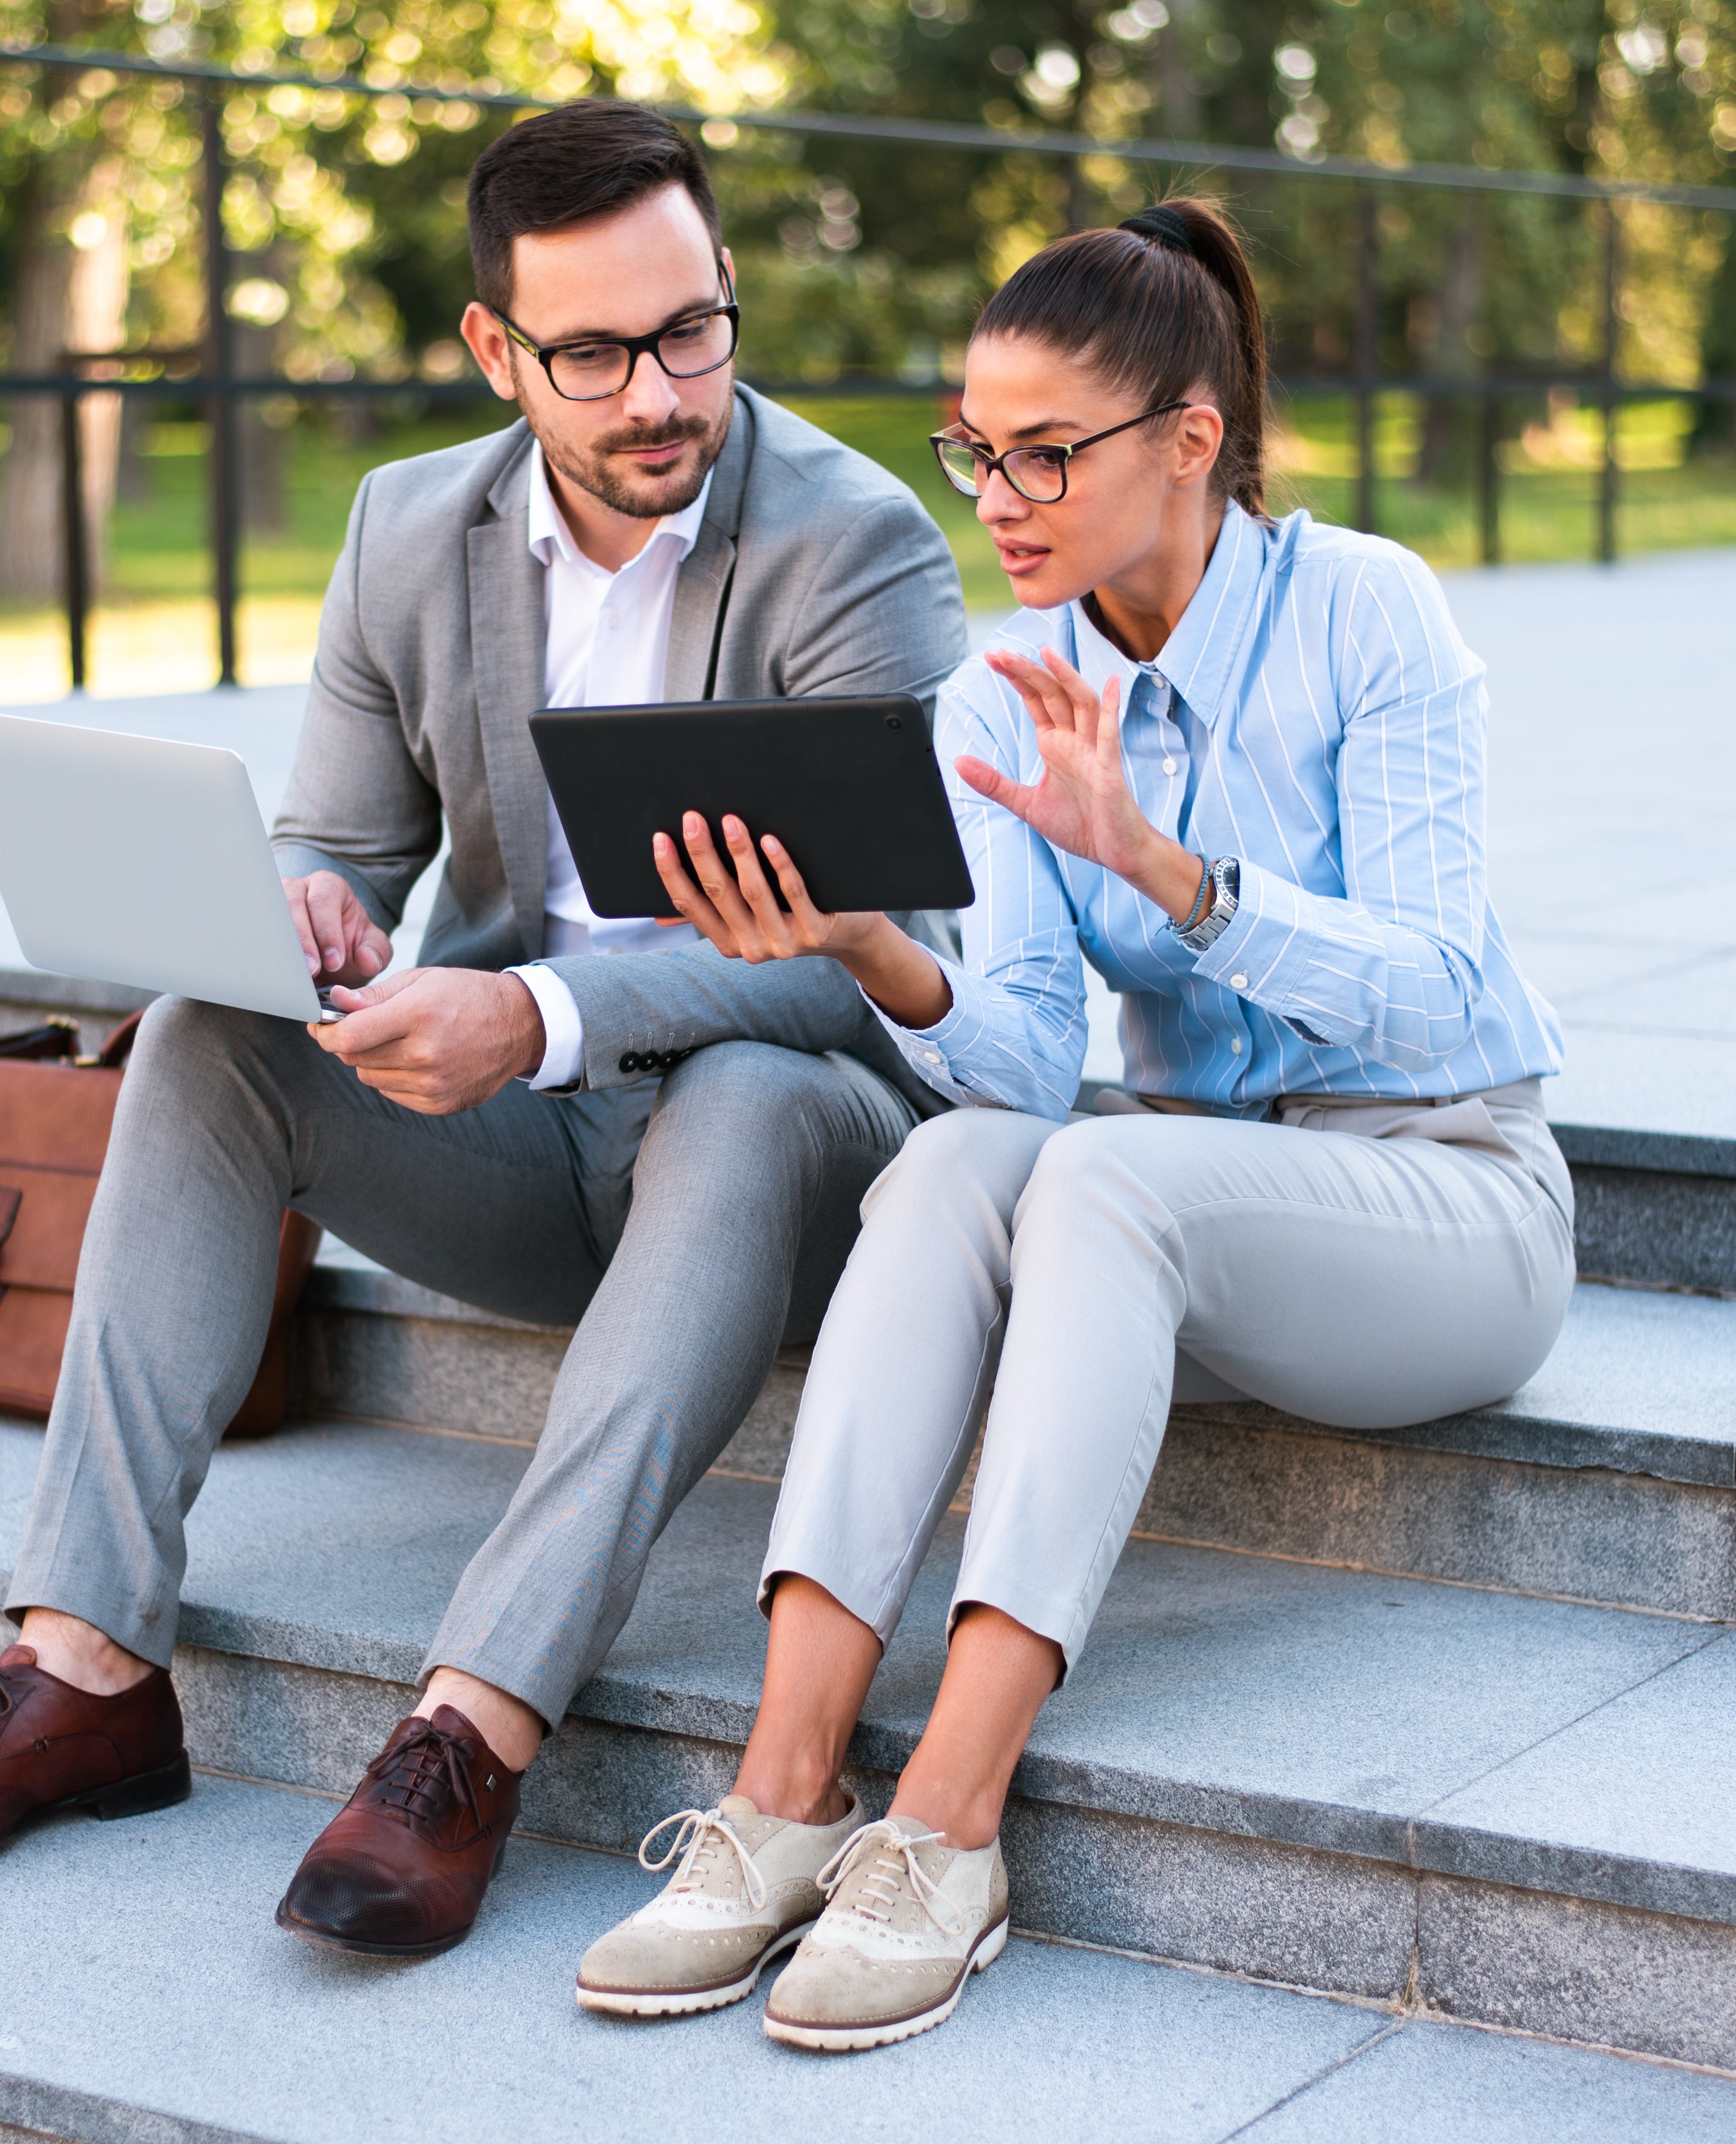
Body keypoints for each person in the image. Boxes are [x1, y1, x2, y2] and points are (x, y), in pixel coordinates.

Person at [0, 99, 967, 1959]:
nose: (662, 393)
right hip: (520, 1153)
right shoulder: (410, 523)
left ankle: (468, 1732)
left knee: (743, 1090)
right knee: (202, 1032)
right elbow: (339, 827)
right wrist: (312, 902)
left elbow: (871, 961)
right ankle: (82, 1665)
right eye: (595, 353)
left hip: (799, 1165)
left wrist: (542, 1009)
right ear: (497, 351)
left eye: (692, 329)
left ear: (727, 286)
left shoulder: (856, 545)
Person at [570, 198, 1574, 2048]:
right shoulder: (1003, 686)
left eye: (1048, 454)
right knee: (955, 1152)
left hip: (1450, 1197)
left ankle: (949, 1820)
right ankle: (788, 1795)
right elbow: (1028, 1061)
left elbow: (1445, 989)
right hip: (1198, 1207)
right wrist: (873, 942)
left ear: (1192, 441)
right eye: (978, 451)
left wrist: (1179, 879)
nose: (1000, 497)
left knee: (1106, 1171)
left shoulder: (1368, 608)